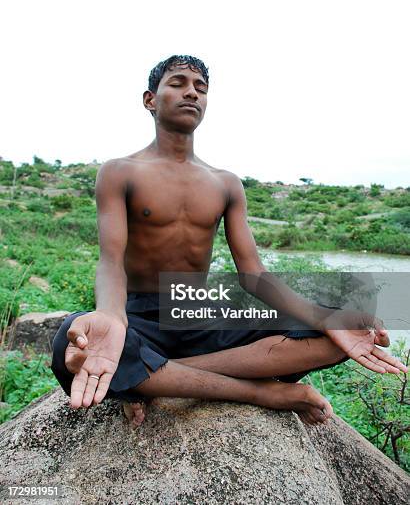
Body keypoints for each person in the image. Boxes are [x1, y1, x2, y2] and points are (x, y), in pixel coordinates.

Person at [51, 55, 407, 429]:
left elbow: (253, 275)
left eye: (200, 88)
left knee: (344, 324)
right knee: (69, 345)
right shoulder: (119, 171)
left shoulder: (225, 182)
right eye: (178, 83)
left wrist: (327, 316)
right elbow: (110, 261)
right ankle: (259, 392)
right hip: (139, 315)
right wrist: (110, 317)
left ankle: (150, 378)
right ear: (150, 99)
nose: (191, 92)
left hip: (197, 312)